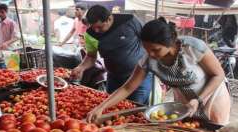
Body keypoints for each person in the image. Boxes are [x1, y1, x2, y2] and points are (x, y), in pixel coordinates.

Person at [87, 18, 231, 125]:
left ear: (171, 42)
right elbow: (127, 88)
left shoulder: (193, 48)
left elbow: (218, 74)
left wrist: (198, 100)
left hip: (211, 95)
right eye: (147, 49)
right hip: (185, 101)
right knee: (190, 130)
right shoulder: (148, 60)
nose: (151, 54)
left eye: (156, 50)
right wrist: (101, 107)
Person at [71, 5, 152, 104]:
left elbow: (148, 41)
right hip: (114, 79)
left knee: (135, 108)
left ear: (109, 18)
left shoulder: (130, 21)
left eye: (99, 27)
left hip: (139, 78)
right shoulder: (90, 34)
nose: (96, 30)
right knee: (111, 108)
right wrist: (81, 67)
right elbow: (91, 57)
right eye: (93, 27)